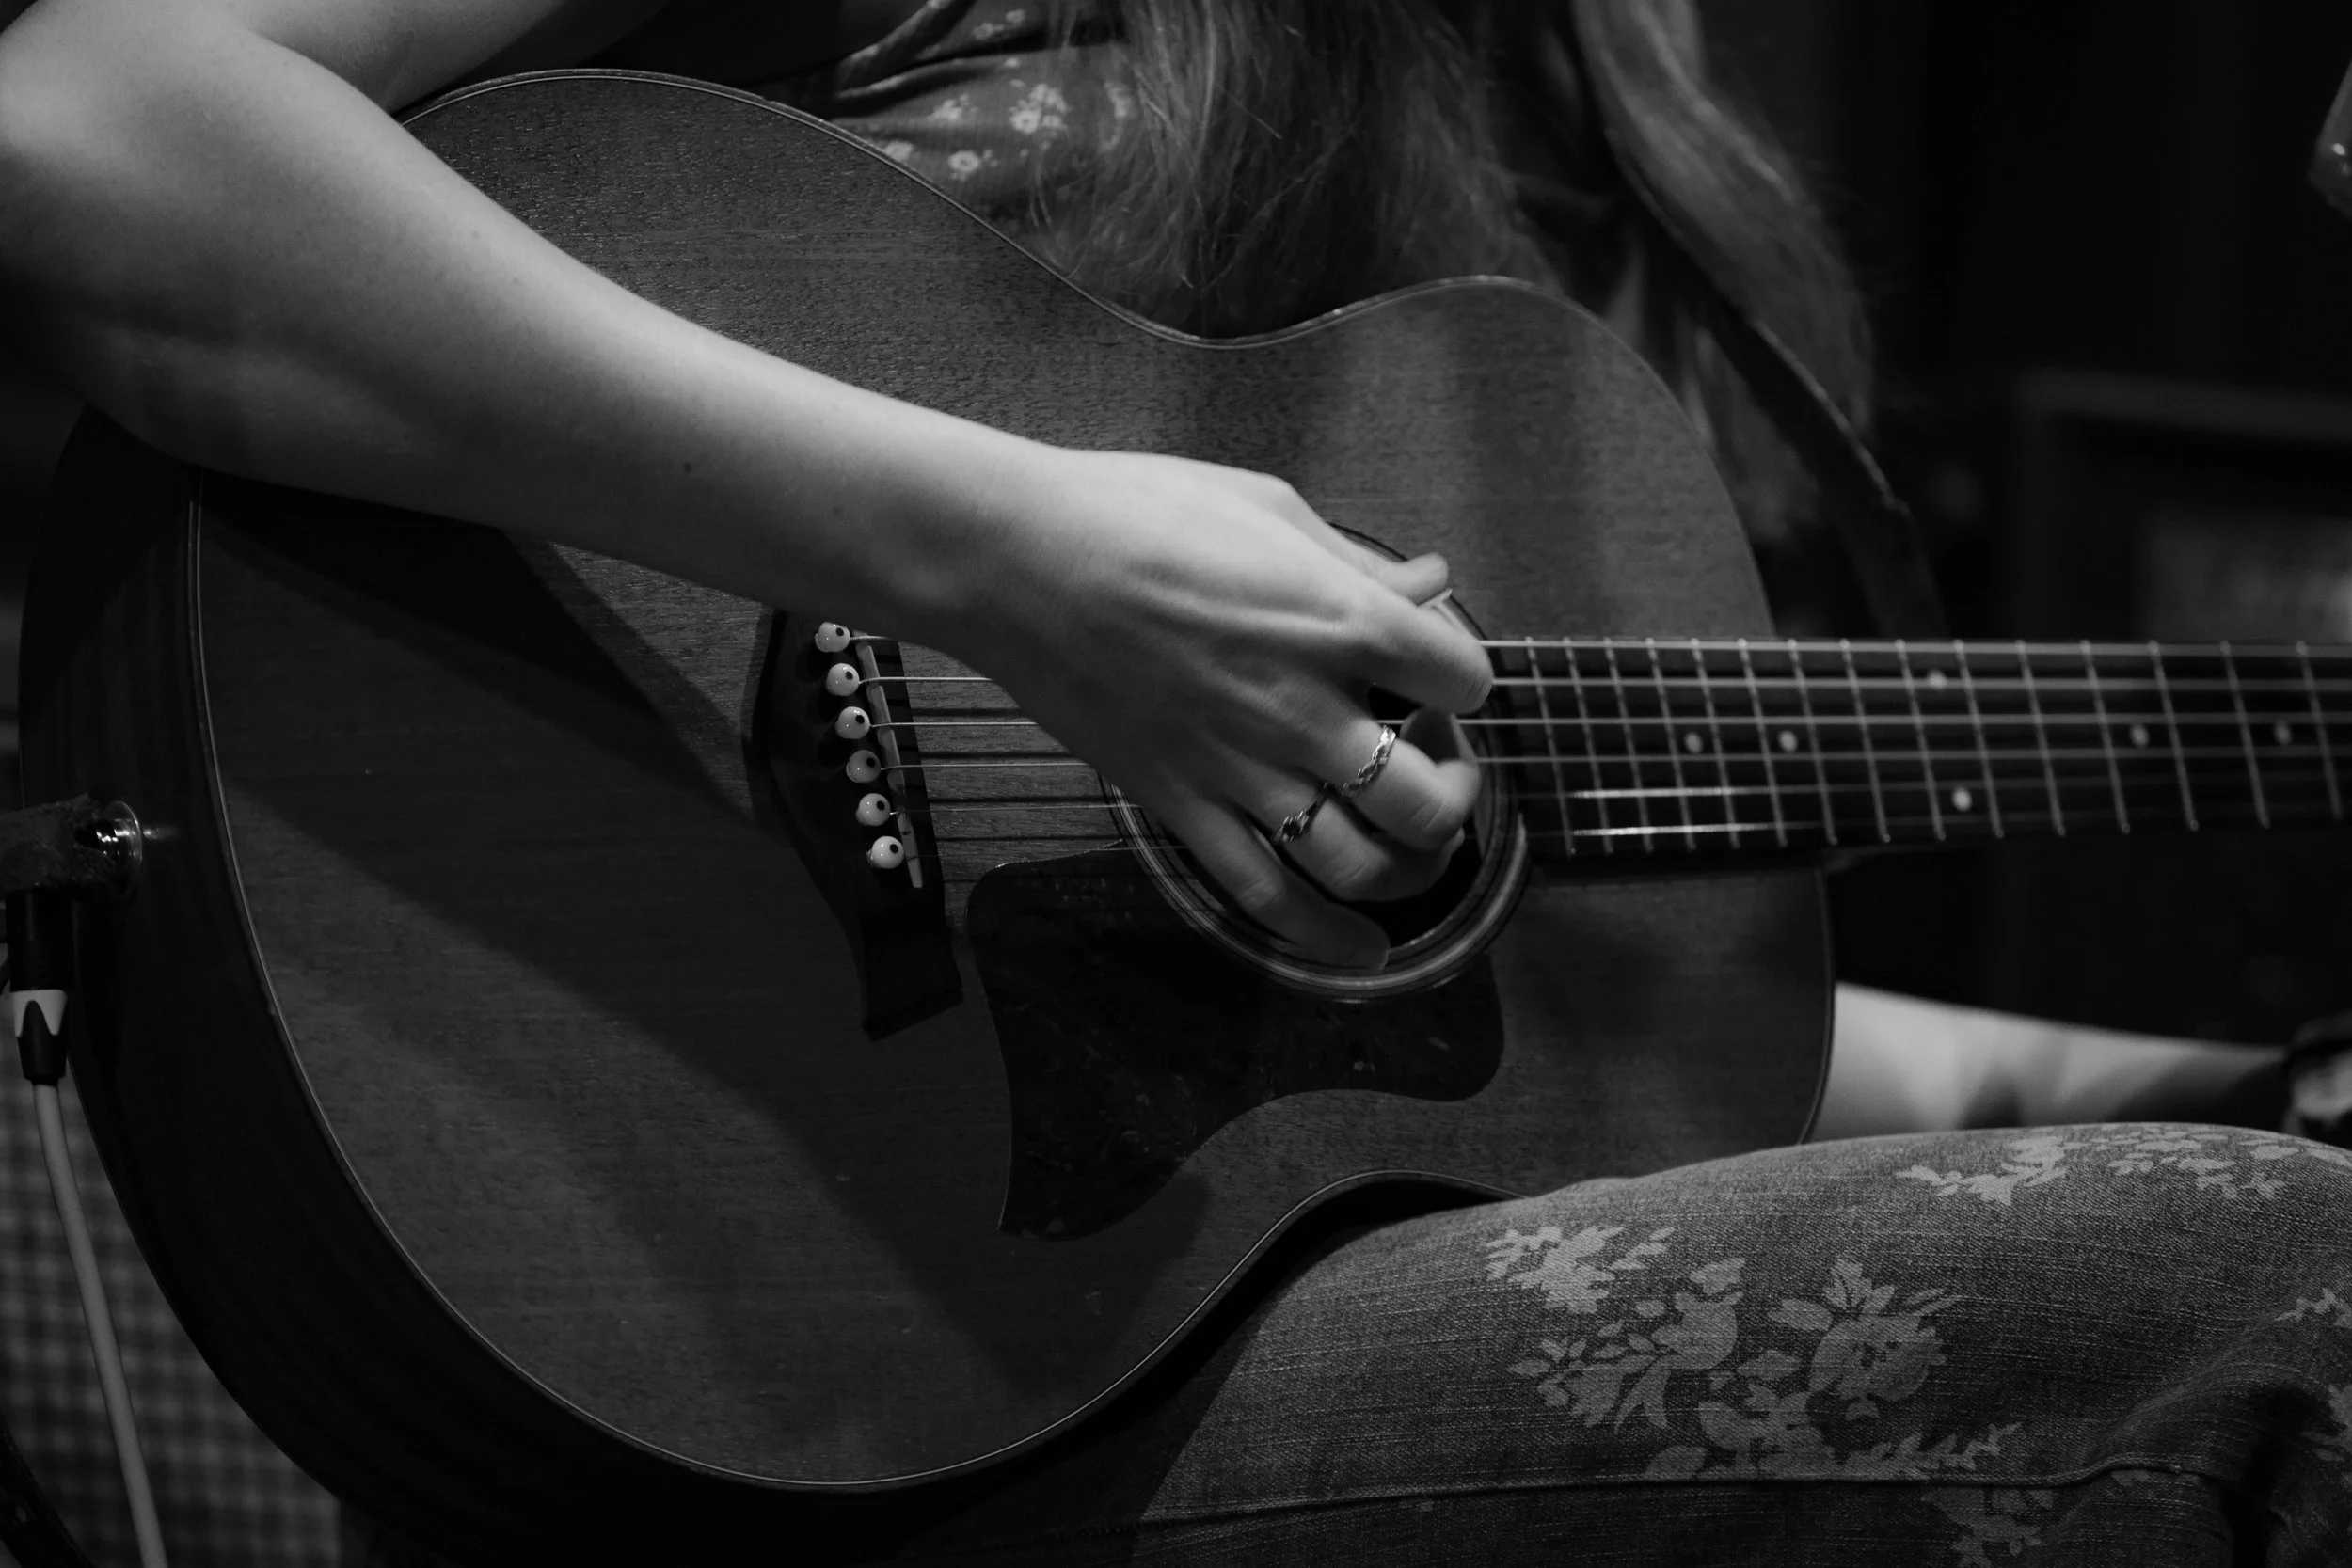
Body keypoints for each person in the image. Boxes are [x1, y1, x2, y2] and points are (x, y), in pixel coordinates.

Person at [0, 1, 2344, 1563]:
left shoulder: (1603, 111)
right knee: (2282, 1287)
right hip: (788, 1332)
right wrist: (1018, 561)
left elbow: (1579, 1030)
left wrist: (2223, 1080)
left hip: (1192, 1324)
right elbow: (86, 126)